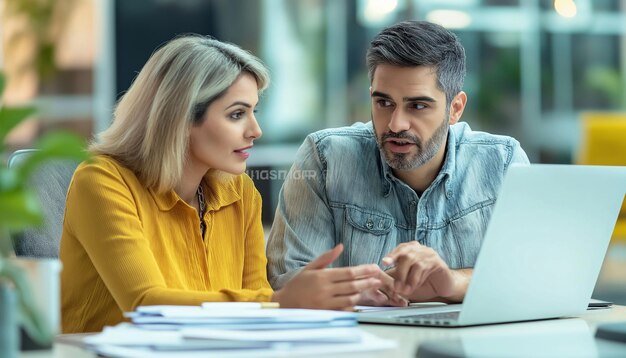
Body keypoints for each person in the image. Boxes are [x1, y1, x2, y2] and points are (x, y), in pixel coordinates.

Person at [60, 35, 388, 333]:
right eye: (236, 114)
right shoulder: (101, 181)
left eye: (254, 111)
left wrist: (306, 299)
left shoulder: (240, 192)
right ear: (181, 118)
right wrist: (279, 302)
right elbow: (146, 303)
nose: (255, 130)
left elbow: (255, 294)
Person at [266, 21, 530, 305]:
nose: (395, 123)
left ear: (455, 109)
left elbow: (536, 273)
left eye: (417, 106)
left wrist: (452, 282)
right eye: (384, 102)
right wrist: (374, 291)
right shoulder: (326, 158)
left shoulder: (502, 162)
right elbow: (288, 282)